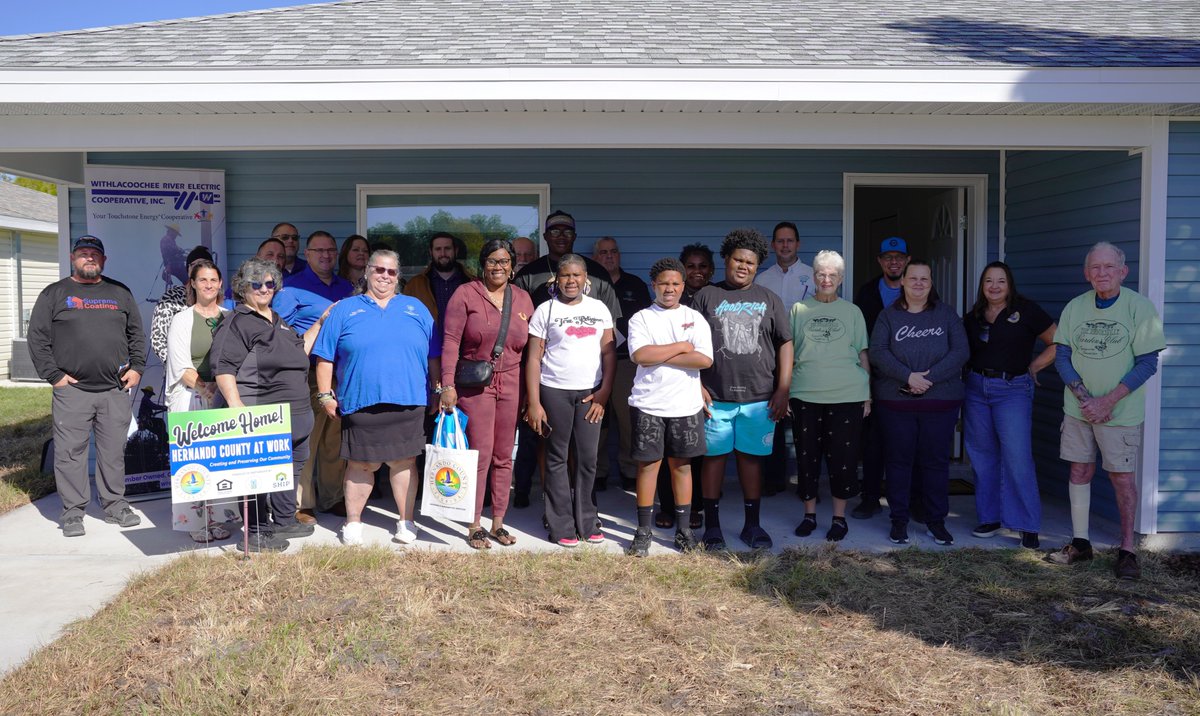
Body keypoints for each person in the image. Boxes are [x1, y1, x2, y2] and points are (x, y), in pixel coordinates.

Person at [1048, 242, 1165, 580]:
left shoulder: (1139, 308)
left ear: (1122, 272)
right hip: (1078, 409)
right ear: (1087, 274)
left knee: (1122, 478)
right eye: (1095, 268)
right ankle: (1080, 544)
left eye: (1108, 267)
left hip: (1120, 413)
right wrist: (1085, 398)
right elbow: (1062, 356)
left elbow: (1147, 363)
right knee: (1079, 472)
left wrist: (1107, 401)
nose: (1101, 273)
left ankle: (1128, 550)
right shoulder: (1075, 307)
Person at [313, 250, 441, 546]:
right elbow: (324, 357)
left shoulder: (416, 308)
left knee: (404, 462)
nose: (385, 276)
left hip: (408, 399)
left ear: (399, 277)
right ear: (367, 272)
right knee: (360, 464)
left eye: (391, 272)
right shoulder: (345, 308)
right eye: (379, 270)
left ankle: (406, 521)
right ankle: (354, 522)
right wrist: (324, 395)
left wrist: (436, 388)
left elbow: (434, 355)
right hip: (360, 399)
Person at [27, 235, 146, 537]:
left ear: (103, 260)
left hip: (113, 390)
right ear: (72, 258)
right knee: (70, 453)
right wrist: (54, 376)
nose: (89, 258)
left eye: (95, 254)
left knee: (112, 452)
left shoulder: (120, 293)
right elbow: (37, 338)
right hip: (73, 391)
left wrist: (138, 368)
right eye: (83, 253)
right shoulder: (54, 294)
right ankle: (73, 512)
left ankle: (115, 505)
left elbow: (136, 334)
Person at [512, 211, 622, 507]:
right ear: (545, 237)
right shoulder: (528, 275)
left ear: (575, 236)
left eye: (567, 231)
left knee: (583, 446)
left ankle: (582, 500)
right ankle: (532, 493)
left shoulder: (597, 275)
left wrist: (605, 386)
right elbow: (518, 324)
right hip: (542, 374)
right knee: (539, 436)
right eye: (554, 231)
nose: (561, 236)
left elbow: (611, 336)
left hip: (587, 378)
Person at [692, 228, 793, 551]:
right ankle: (712, 528)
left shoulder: (769, 299)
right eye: (738, 259)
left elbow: (785, 343)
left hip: (759, 397)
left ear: (757, 265)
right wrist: (696, 385)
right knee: (714, 460)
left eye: (750, 262)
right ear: (726, 259)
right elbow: (690, 344)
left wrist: (783, 388)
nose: (743, 266)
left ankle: (752, 525)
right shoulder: (706, 296)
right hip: (715, 397)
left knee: (751, 461)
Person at [211, 257, 320, 552]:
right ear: (242, 288)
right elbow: (223, 367)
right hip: (261, 414)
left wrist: (321, 322)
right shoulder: (237, 322)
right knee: (257, 474)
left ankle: (284, 519)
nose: (263, 288)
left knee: (290, 468)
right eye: (255, 283)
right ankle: (257, 531)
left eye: (269, 283)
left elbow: (300, 349)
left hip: (296, 414)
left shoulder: (277, 320)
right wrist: (236, 407)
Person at [439, 239, 534, 549]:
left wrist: (533, 396)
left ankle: (498, 522)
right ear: (483, 264)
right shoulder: (465, 294)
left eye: (505, 261)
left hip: (512, 382)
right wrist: (448, 384)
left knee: (505, 455)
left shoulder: (522, 299)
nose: (499, 266)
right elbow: (451, 341)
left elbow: (533, 349)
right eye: (493, 261)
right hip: (476, 385)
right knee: (479, 453)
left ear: (513, 266)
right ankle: (474, 523)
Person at [869, 259, 968, 546]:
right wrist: (908, 376)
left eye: (925, 279)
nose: (919, 284)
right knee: (898, 462)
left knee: (935, 463)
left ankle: (936, 521)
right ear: (903, 281)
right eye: (913, 278)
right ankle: (898, 520)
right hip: (896, 402)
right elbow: (878, 351)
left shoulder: (946, 315)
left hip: (940, 402)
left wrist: (929, 378)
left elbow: (961, 351)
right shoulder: (888, 316)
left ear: (931, 282)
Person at [963, 261, 1057, 550]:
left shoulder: (1027, 310)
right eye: (989, 281)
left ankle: (1027, 524)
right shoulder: (974, 316)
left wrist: (1034, 366)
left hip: (1012, 389)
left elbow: (1058, 342)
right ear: (982, 285)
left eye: (1000, 281)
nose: (994, 286)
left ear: (1009, 284)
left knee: (1017, 456)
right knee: (982, 455)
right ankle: (990, 518)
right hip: (977, 389)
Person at [525, 254, 616, 547]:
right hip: (554, 391)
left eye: (576, 275)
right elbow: (534, 359)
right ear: (557, 279)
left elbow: (609, 353)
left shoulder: (599, 308)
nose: (571, 281)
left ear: (585, 278)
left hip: (591, 394)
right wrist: (535, 403)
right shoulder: (545, 310)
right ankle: (560, 522)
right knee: (556, 458)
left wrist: (604, 393)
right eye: (565, 276)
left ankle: (587, 520)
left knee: (588, 458)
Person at [625, 258, 713, 557]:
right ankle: (643, 530)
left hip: (685, 404)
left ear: (683, 286)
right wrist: (681, 346)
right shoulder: (642, 318)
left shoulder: (694, 318)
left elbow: (704, 360)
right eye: (664, 283)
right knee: (648, 466)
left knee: (683, 466)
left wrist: (659, 355)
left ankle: (684, 528)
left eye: (676, 283)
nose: (670, 288)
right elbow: (639, 354)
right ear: (655, 285)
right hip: (649, 403)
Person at [789, 250, 871, 542]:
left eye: (832, 275)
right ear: (813, 277)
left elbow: (862, 352)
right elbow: (790, 353)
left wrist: (868, 394)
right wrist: (785, 389)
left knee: (843, 458)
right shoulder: (798, 310)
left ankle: (839, 518)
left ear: (841, 279)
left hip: (847, 394)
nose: (826, 279)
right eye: (821, 274)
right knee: (807, 456)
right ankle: (809, 515)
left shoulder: (852, 312)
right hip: (805, 393)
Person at [274, 231, 355, 524]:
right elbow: (278, 333)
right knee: (307, 437)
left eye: (330, 250)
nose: (325, 255)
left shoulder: (346, 288)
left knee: (334, 438)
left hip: (341, 374)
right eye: (318, 250)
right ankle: (302, 503)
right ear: (307, 254)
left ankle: (332, 497)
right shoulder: (291, 288)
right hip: (307, 373)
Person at [164, 259, 231, 542]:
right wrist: (207, 389)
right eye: (202, 280)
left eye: (213, 280)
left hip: (223, 395)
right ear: (192, 283)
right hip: (192, 396)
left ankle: (218, 518)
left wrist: (222, 389)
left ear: (219, 284)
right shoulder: (182, 319)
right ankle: (195, 521)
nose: (208, 285)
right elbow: (181, 365)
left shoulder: (230, 316)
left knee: (220, 461)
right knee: (194, 463)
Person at [852, 236, 916, 519]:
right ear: (880, 261)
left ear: (907, 261)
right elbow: (860, 337)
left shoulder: (918, 290)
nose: (894, 262)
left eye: (899, 257)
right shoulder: (866, 293)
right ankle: (869, 497)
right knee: (873, 442)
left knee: (908, 441)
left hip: (911, 379)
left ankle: (911, 498)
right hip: (875, 376)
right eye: (888, 257)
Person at [756, 221, 815, 495]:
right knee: (775, 420)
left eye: (790, 240)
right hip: (771, 357)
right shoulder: (762, 279)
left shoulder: (813, 276)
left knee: (806, 422)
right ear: (773, 245)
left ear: (798, 244)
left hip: (808, 357)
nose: (785, 245)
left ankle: (807, 482)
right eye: (780, 241)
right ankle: (773, 481)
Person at [592, 236, 652, 491]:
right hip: (595, 362)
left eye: (613, 251)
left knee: (629, 421)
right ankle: (598, 471)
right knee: (598, 420)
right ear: (595, 258)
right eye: (603, 252)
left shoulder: (635, 285)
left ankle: (629, 469)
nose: (609, 256)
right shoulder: (590, 285)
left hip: (628, 362)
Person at [150, 245, 217, 366]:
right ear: (188, 270)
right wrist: (181, 370)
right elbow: (158, 340)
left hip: (215, 377)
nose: (200, 269)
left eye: (205, 264)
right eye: (195, 265)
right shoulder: (170, 298)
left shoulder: (220, 300)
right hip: (180, 378)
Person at [403, 231, 471, 337]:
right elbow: (406, 322)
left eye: (447, 248)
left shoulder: (472, 282)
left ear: (455, 251)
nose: (443, 253)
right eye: (438, 249)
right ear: (431, 252)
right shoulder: (414, 285)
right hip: (429, 351)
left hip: (463, 351)